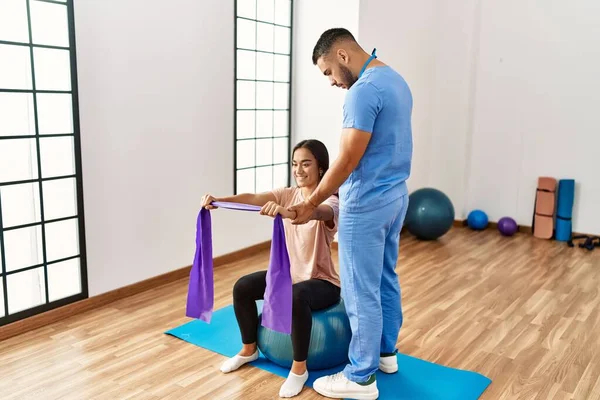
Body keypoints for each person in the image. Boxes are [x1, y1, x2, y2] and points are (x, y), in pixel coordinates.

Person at [288, 28, 413, 400]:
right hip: (395, 197)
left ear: (342, 56)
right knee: (386, 278)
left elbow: (345, 160)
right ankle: (385, 354)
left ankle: (360, 377)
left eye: (328, 71)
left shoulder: (362, 91)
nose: (330, 81)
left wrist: (312, 203)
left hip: (367, 203)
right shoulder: (395, 79)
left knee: (360, 291)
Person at [201, 139, 341, 398]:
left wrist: (287, 213)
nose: (299, 170)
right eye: (295, 164)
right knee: (243, 286)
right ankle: (249, 348)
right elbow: (254, 198)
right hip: (288, 277)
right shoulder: (288, 193)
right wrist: (219, 200)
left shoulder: (331, 201)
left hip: (322, 282)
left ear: (321, 168)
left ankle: (299, 370)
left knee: (296, 296)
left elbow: (316, 213)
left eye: (306, 164)